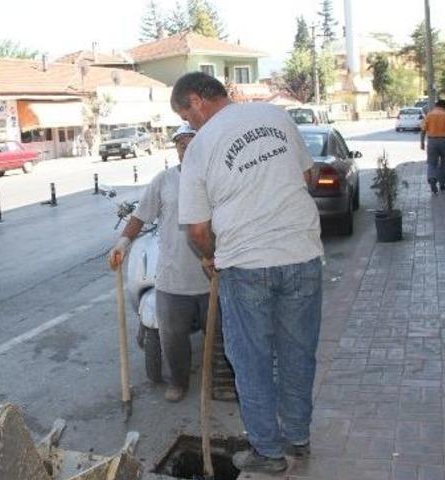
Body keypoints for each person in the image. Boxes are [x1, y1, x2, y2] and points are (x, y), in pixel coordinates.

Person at [171, 72, 323, 475]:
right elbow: (307, 177)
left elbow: (198, 230)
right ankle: (298, 436)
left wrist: (211, 256)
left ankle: (269, 453)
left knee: (252, 361)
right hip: (302, 253)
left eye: (186, 116)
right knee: (297, 352)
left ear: (196, 101)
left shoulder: (200, 146)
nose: (190, 124)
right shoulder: (275, 116)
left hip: (245, 264)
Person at [108, 123, 210, 403]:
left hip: (211, 276)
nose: (186, 150)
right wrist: (122, 244)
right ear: (176, 149)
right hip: (172, 278)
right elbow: (140, 217)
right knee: (172, 337)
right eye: (181, 145)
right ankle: (178, 382)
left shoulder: (215, 177)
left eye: (192, 144)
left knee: (220, 336)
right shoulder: (164, 181)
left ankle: (221, 382)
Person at [420, 99, 445, 194]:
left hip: (432, 141)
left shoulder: (429, 115)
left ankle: (432, 178)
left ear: (436, 106)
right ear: (444, 106)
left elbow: (423, 130)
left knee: (432, 163)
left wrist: (422, 142)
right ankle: (442, 183)